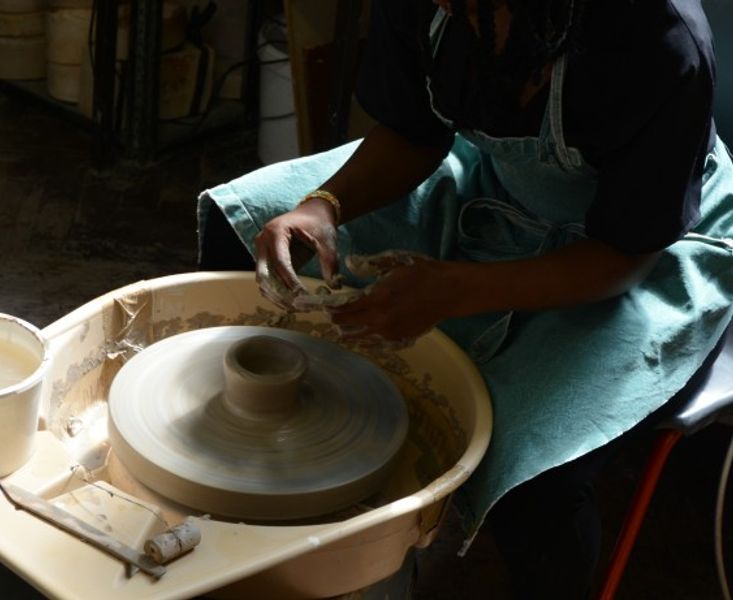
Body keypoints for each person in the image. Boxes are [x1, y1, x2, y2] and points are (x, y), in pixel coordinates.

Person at [198, 0, 733, 597]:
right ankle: (272, 475)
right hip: (493, 180)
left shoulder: (655, 37)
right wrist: (322, 206)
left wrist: (456, 291)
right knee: (245, 229)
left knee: (533, 477)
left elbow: (622, 253)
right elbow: (414, 133)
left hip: (640, 249)